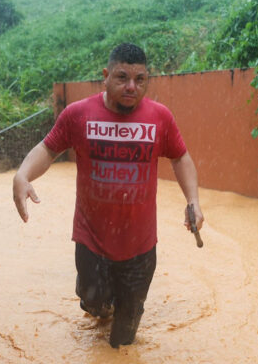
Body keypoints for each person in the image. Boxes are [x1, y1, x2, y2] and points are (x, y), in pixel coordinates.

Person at [12, 43, 204, 348]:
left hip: (140, 249)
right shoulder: (78, 114)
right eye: (122, 77)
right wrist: (23, 175)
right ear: (105, 75)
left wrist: (192, 200)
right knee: (96, 305)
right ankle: (95, 299)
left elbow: (180, 158)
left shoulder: (160, 118)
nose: (131, 87)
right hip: (93, 243)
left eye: (140, 80)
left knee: (123, 343)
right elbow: (48, 148)